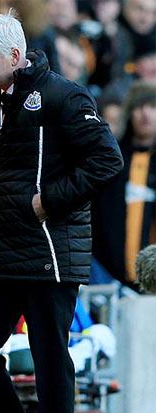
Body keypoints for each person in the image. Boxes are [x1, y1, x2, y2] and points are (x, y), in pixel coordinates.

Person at [0, 11, 123, 413]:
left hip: (48, 250)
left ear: (14, 55)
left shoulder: (63, 96)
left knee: (51, 356)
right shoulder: (0, 95)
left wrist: (48, 201)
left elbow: (107, 160)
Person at [92, 81, 156, 289]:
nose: (145, 114)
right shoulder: (112, 160)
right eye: (139, 107)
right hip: (111, 281)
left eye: (152, 107)